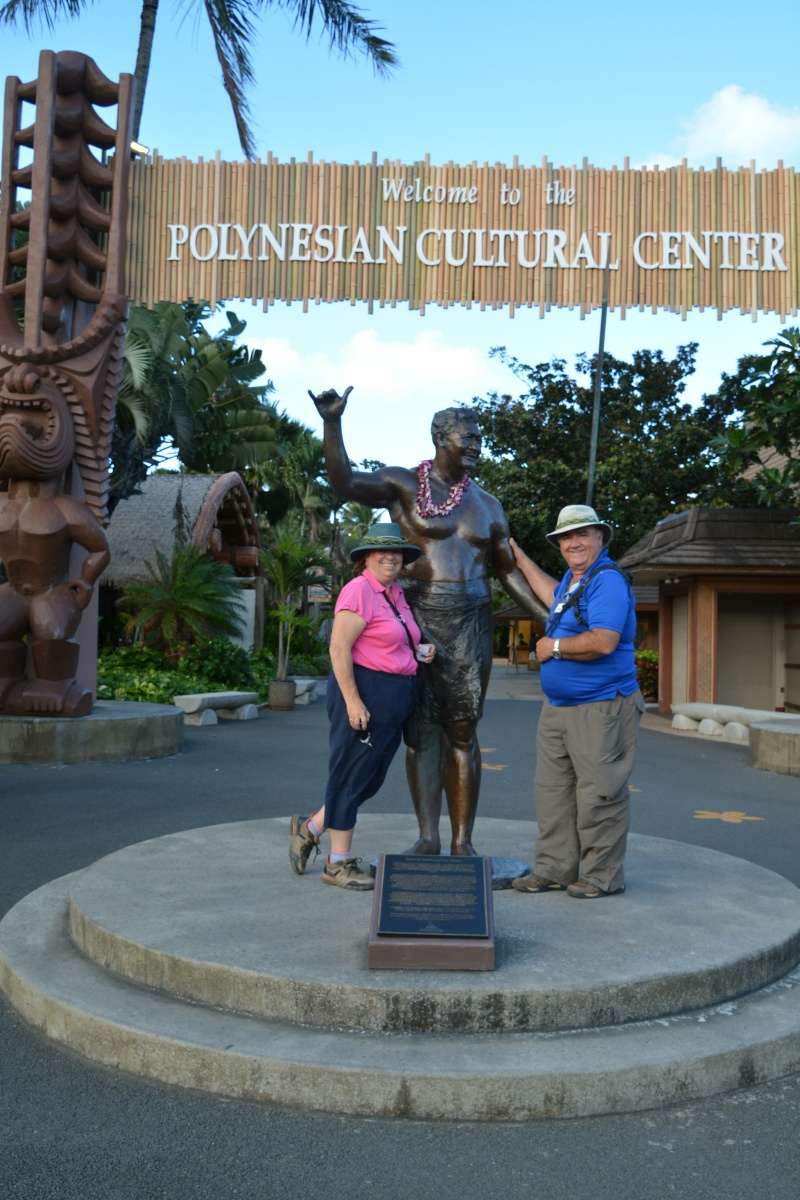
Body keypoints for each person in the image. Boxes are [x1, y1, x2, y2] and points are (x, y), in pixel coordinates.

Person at [308, 386, 547, 858]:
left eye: (480, 437)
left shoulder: (488, 505)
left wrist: (548, 620)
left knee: (463, 731)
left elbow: (508, 571)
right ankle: (428, 836)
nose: (477, 444)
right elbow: (344, 482)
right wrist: (332, 423)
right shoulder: (403, 486)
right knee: (421, 734)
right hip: (417, 620)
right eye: (469, 437)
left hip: (472, 622)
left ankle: (463, 842)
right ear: (441, 437)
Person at [289, 522, 435, 890]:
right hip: (364, 692)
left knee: (367, 780)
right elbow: (339, 649)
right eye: (382, 551)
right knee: (350, 775)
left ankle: (311, 828)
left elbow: (389, 639)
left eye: (397, 551)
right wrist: (354, 702)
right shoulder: (359, 591)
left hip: (394, 694)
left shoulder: (394, 593)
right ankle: (337, 863)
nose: (391, 557)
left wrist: (417, 651)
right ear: (366, 558)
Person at [509, 504, 645, 899]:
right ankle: (554, 869)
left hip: (601, 707)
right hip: (558, 708)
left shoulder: (608, 581)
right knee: (552, 792)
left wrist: (553, 647)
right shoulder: (573, 579)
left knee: (600, 793)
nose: (574, 542)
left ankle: (601, 876)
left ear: (600, 537)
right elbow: (550, 591)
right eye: (566, 537)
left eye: (582, 534)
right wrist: (519, 558)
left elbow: (604, 640)